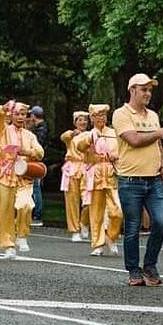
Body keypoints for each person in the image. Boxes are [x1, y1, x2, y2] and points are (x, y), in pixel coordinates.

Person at [112, 73, 163, 286]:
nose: (148, 93)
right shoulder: (121, 114)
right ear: (132, 91)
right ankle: (133, 270)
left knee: (160, 223)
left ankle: (150, 265)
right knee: (132, 227)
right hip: (131, 180)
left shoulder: (153, 116)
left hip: (154, 178)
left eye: (150, 90)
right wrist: (160, 134)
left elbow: (158, 146)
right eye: (144, 89)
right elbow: (134, 140)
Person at [0, 101, 45, 258]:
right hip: (6, 174)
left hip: (24, 174)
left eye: (23, 114)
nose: (21, 117)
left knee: (25, 205)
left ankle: (22, 235)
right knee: (5, 210)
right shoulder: (3, 130)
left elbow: (40, 153)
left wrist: (25, 151)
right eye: (17, 114)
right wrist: (3, 108)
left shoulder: (30, 135)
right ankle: (8, 245)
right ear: (11, 115)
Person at [75, 104, 123, 257]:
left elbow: (121, 150)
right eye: (97, 115)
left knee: (117, 211)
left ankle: (112, 236)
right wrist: (90, 139)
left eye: (103, 115)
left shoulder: (113, 133)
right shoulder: (88, 135)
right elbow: (79, 146)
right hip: (94, 174)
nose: (101, 118)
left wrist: (116, 155)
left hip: (110, 173)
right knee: (96, 211)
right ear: (92, 118)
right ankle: (97, 243)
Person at [60, 110, 90, 242]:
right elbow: (64, 137)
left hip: (87, 168)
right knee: (72, 201)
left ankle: (84, 222)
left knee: (89, 200)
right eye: (80, 120)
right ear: (75, 122)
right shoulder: (70, 136)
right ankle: (74, 230)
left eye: (85, 120)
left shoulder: (91, 135)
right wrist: (73, 133)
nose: (83, 122)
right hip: (72, 168)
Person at [29, 105, 48, 227]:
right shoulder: (42, 128)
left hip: (37, 161)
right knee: (35, 187)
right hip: (37, 160)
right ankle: (35, 213)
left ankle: (37, 214)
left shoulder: (41, 130)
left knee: (36, 187)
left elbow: (38, 145)